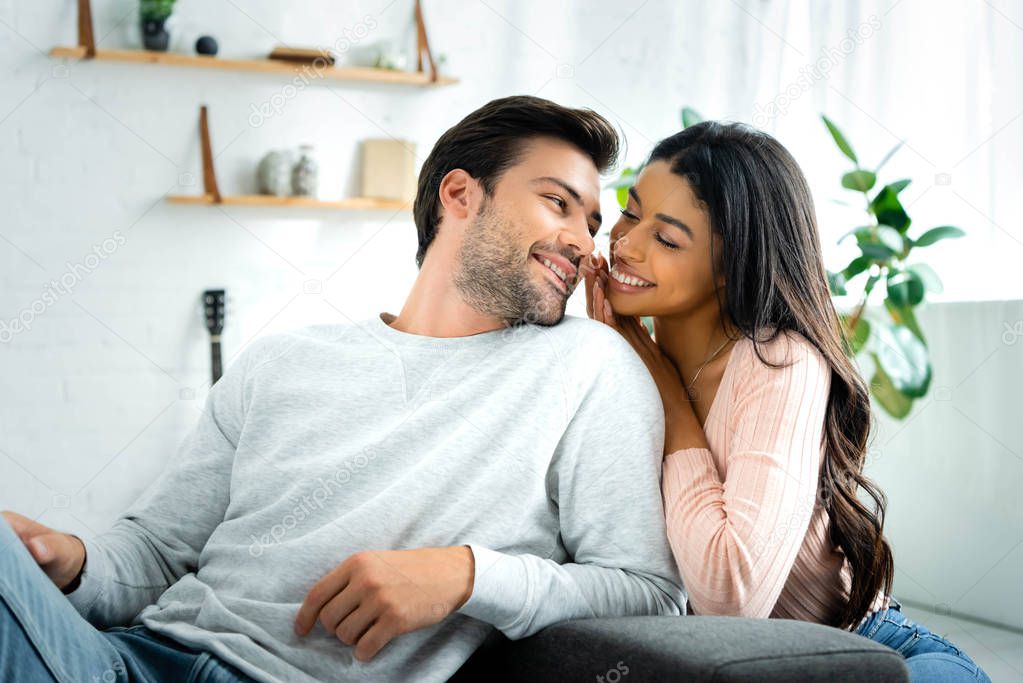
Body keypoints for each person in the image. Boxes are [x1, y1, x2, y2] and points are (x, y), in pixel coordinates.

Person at [0, 96, 685, 683]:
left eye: (592, 222)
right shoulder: (284, 359)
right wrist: (70, 560)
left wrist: (467, 575)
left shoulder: (587, 366)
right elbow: (153, 552)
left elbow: (649, 595)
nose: (583, 242)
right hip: (124, 661)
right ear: (459, 195)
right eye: (557, 203)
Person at [582, 120, 990, 682]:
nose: (624, 244)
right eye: (630, 212)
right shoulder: (617, 356)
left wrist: (671, 403)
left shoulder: (782, 363)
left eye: (668, 239)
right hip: (726, 666)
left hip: (872, 654)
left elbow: (733, 598)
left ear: (731, 266)